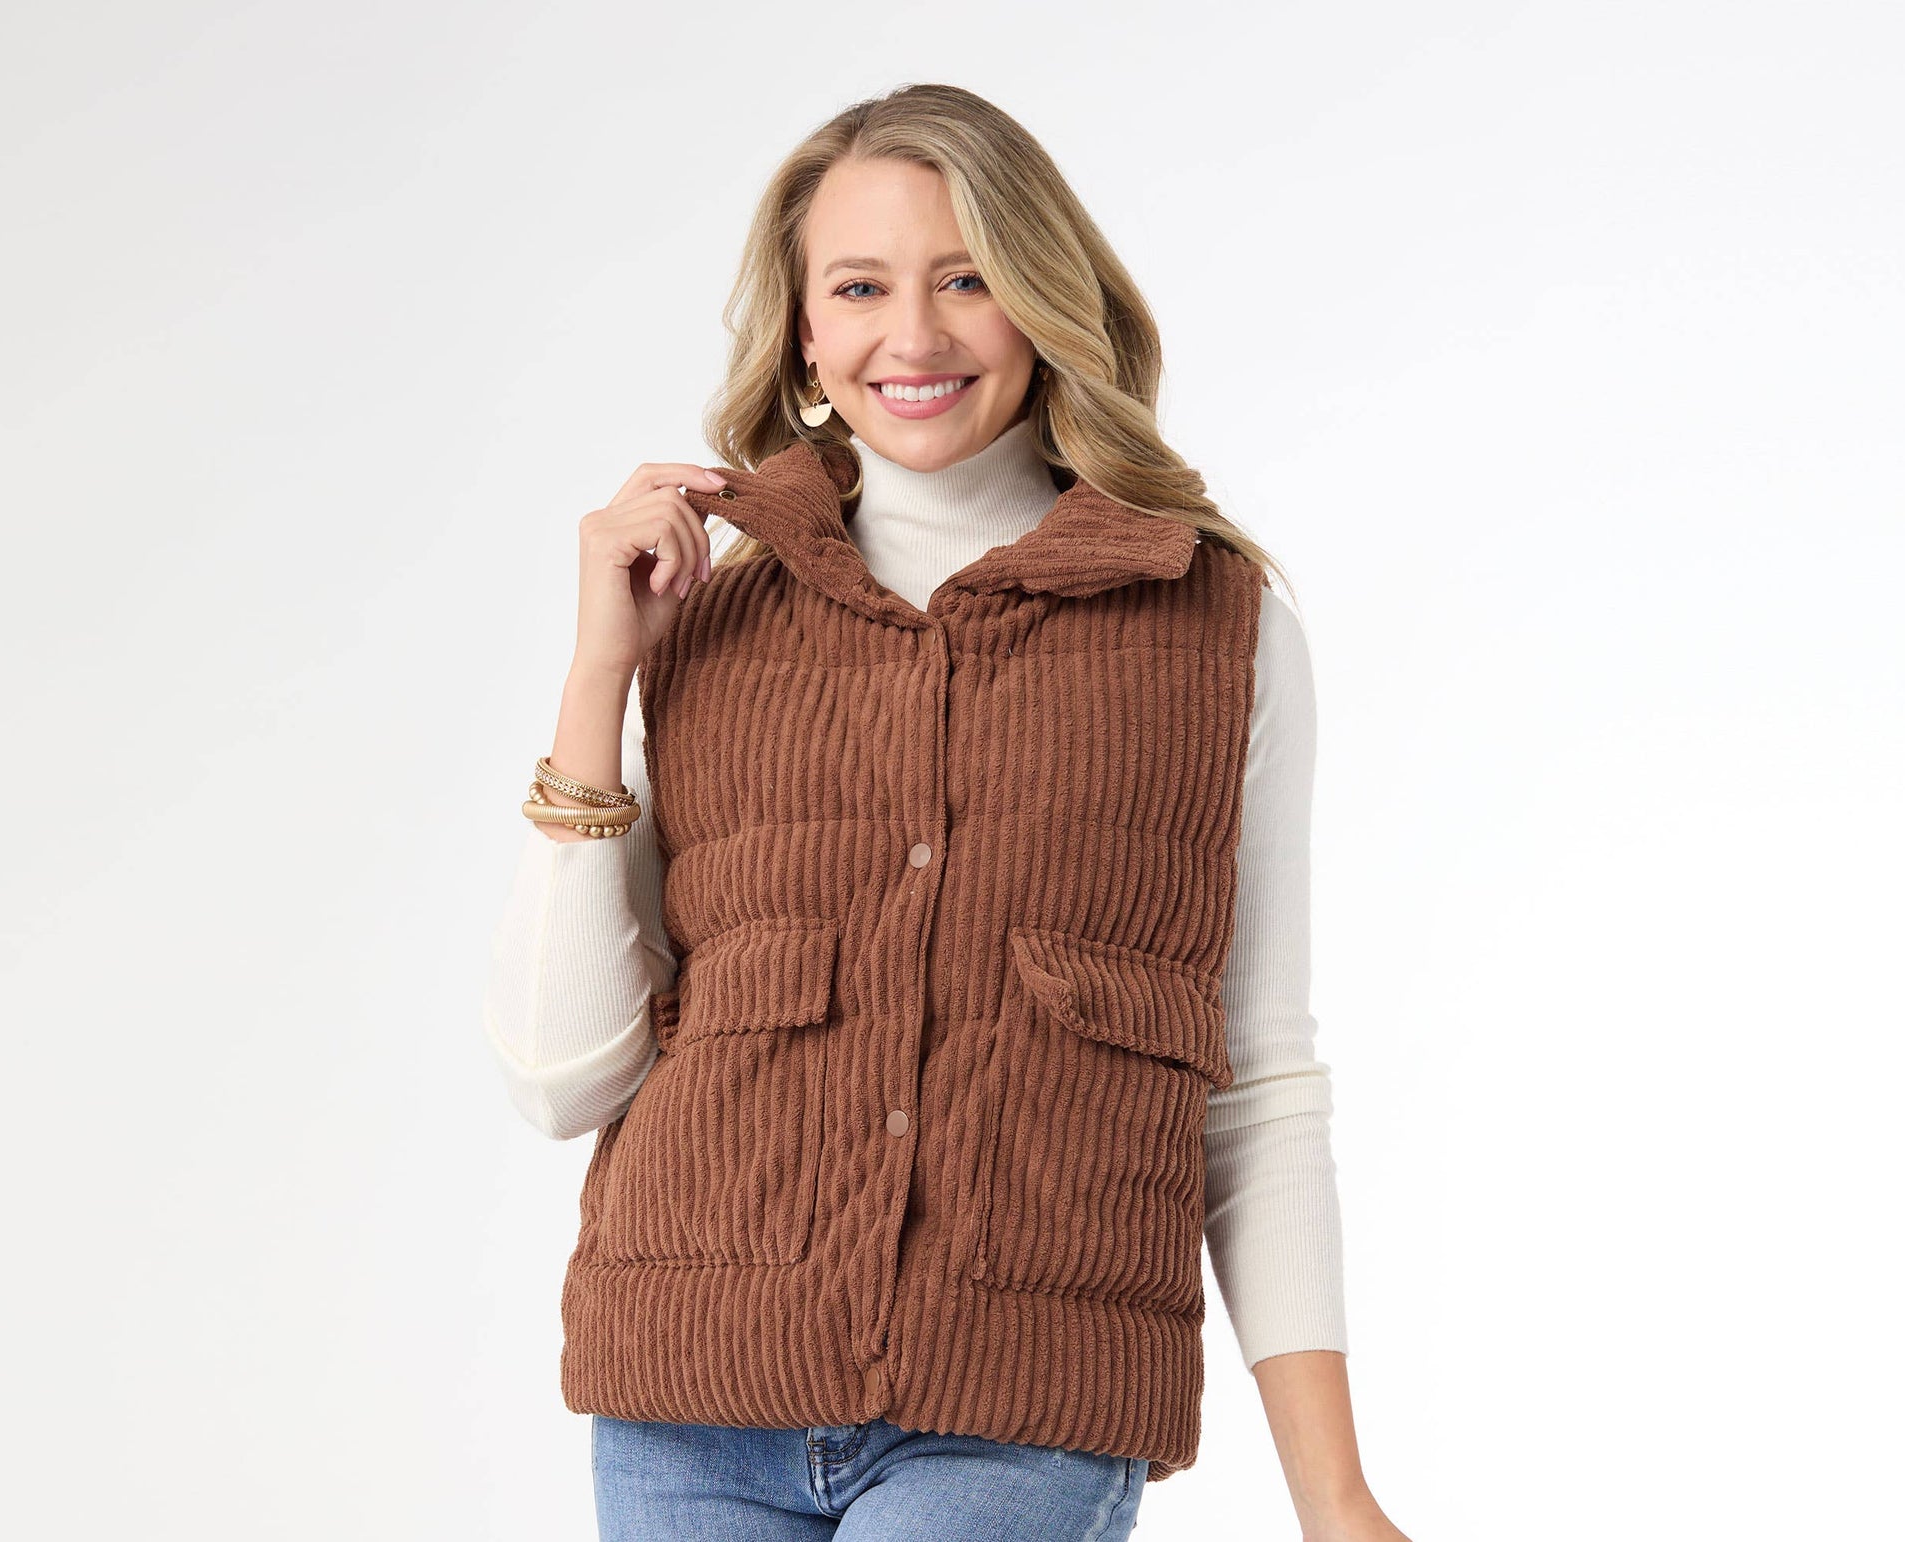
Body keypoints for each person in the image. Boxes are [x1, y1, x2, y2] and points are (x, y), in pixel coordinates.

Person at [484, 82, 1410, 1542]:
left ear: (1044, 300)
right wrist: (600, 674)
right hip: (686, 1408)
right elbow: (559, 1081)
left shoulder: (1213, 625)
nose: (910, 337)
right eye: (859, 287)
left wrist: (1335, 1498)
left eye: (966, 278)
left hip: (1017, 1412)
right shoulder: (702, 620)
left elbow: (1258, 1078)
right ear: (803, 330)